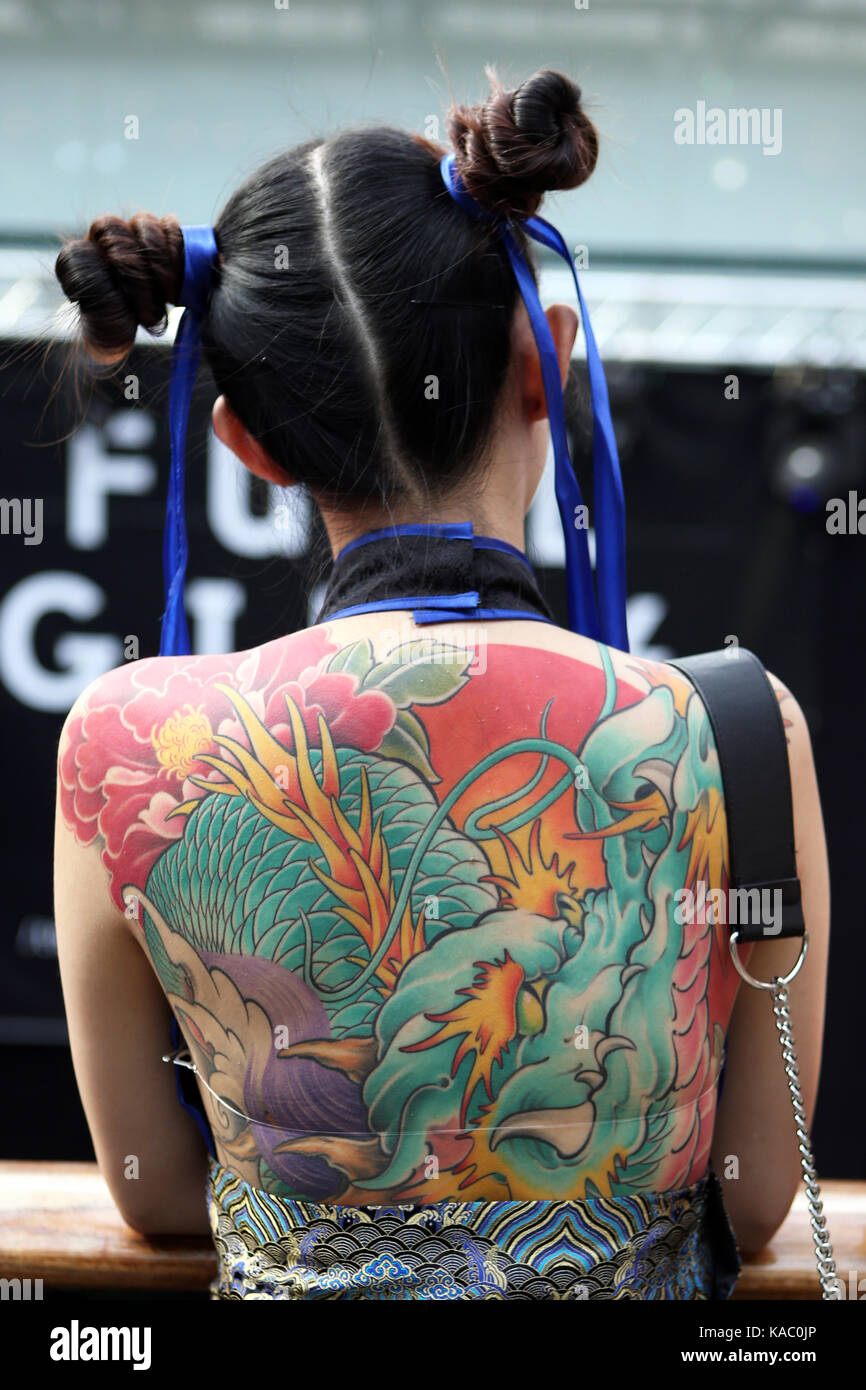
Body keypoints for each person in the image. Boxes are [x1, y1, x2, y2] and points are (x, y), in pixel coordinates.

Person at [52, 67, 830, 1300]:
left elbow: (148, 1190)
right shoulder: (728, 727)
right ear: (547, 361)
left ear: (246, 440)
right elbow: (750, 1188)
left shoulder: (128, 737)